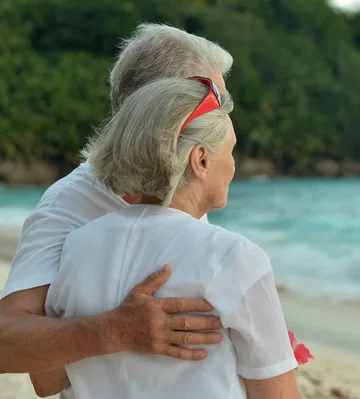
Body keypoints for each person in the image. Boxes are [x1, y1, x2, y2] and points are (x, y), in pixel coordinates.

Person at [33, 76, 302, 398]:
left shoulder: (77, 248)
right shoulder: (231, 256)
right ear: (200, 159)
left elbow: (47, 382)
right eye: (230, 151)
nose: (233, 164)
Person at [0, 24, 232, 393]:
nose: (226, 115)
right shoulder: (70, 205)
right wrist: (114, 332)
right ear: (165, 104)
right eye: (217, 99)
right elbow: (6, 344)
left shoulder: (183, 184)